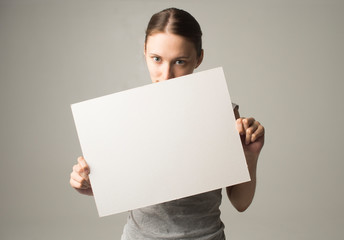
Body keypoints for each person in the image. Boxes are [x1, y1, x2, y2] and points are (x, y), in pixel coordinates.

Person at [69, 7, 265, 240]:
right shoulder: (127, 114)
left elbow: (240, 202)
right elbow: (126, 186)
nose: (166, 74)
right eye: (156, 59)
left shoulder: (221, 112)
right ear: (144, 52)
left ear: (199, 58)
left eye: (180, 61)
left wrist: (250, 156)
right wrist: (93, 184)